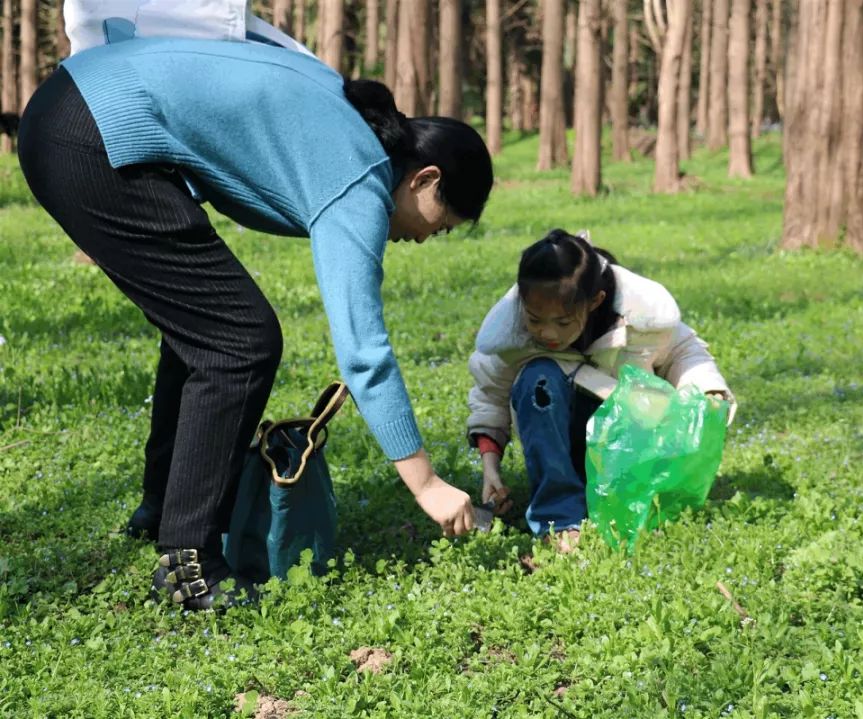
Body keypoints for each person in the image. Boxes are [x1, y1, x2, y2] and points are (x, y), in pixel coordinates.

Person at [18, 36, 492, 610]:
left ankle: (164, 508)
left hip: (72, 111)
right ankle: (187, 563)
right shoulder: (361, 176)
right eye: (440, 223)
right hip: (90, 135)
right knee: (239, 339)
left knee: (210, 328)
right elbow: (364, 355)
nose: (425, 238)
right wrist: (427, 484)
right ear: (424, 179)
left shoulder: (346, 128)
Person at [465, 230, 735, 548]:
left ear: (595, 302)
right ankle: (560, 521)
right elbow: (490, 394)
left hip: (625, 436)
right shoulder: (512, 336)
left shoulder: (641, 317)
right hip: (557, 436)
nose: (548, 333)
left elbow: (683, 351)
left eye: (563, 322)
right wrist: (490, 468)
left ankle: (633, 501)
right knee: (537, 378)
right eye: (536, 319)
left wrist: (708, 388)